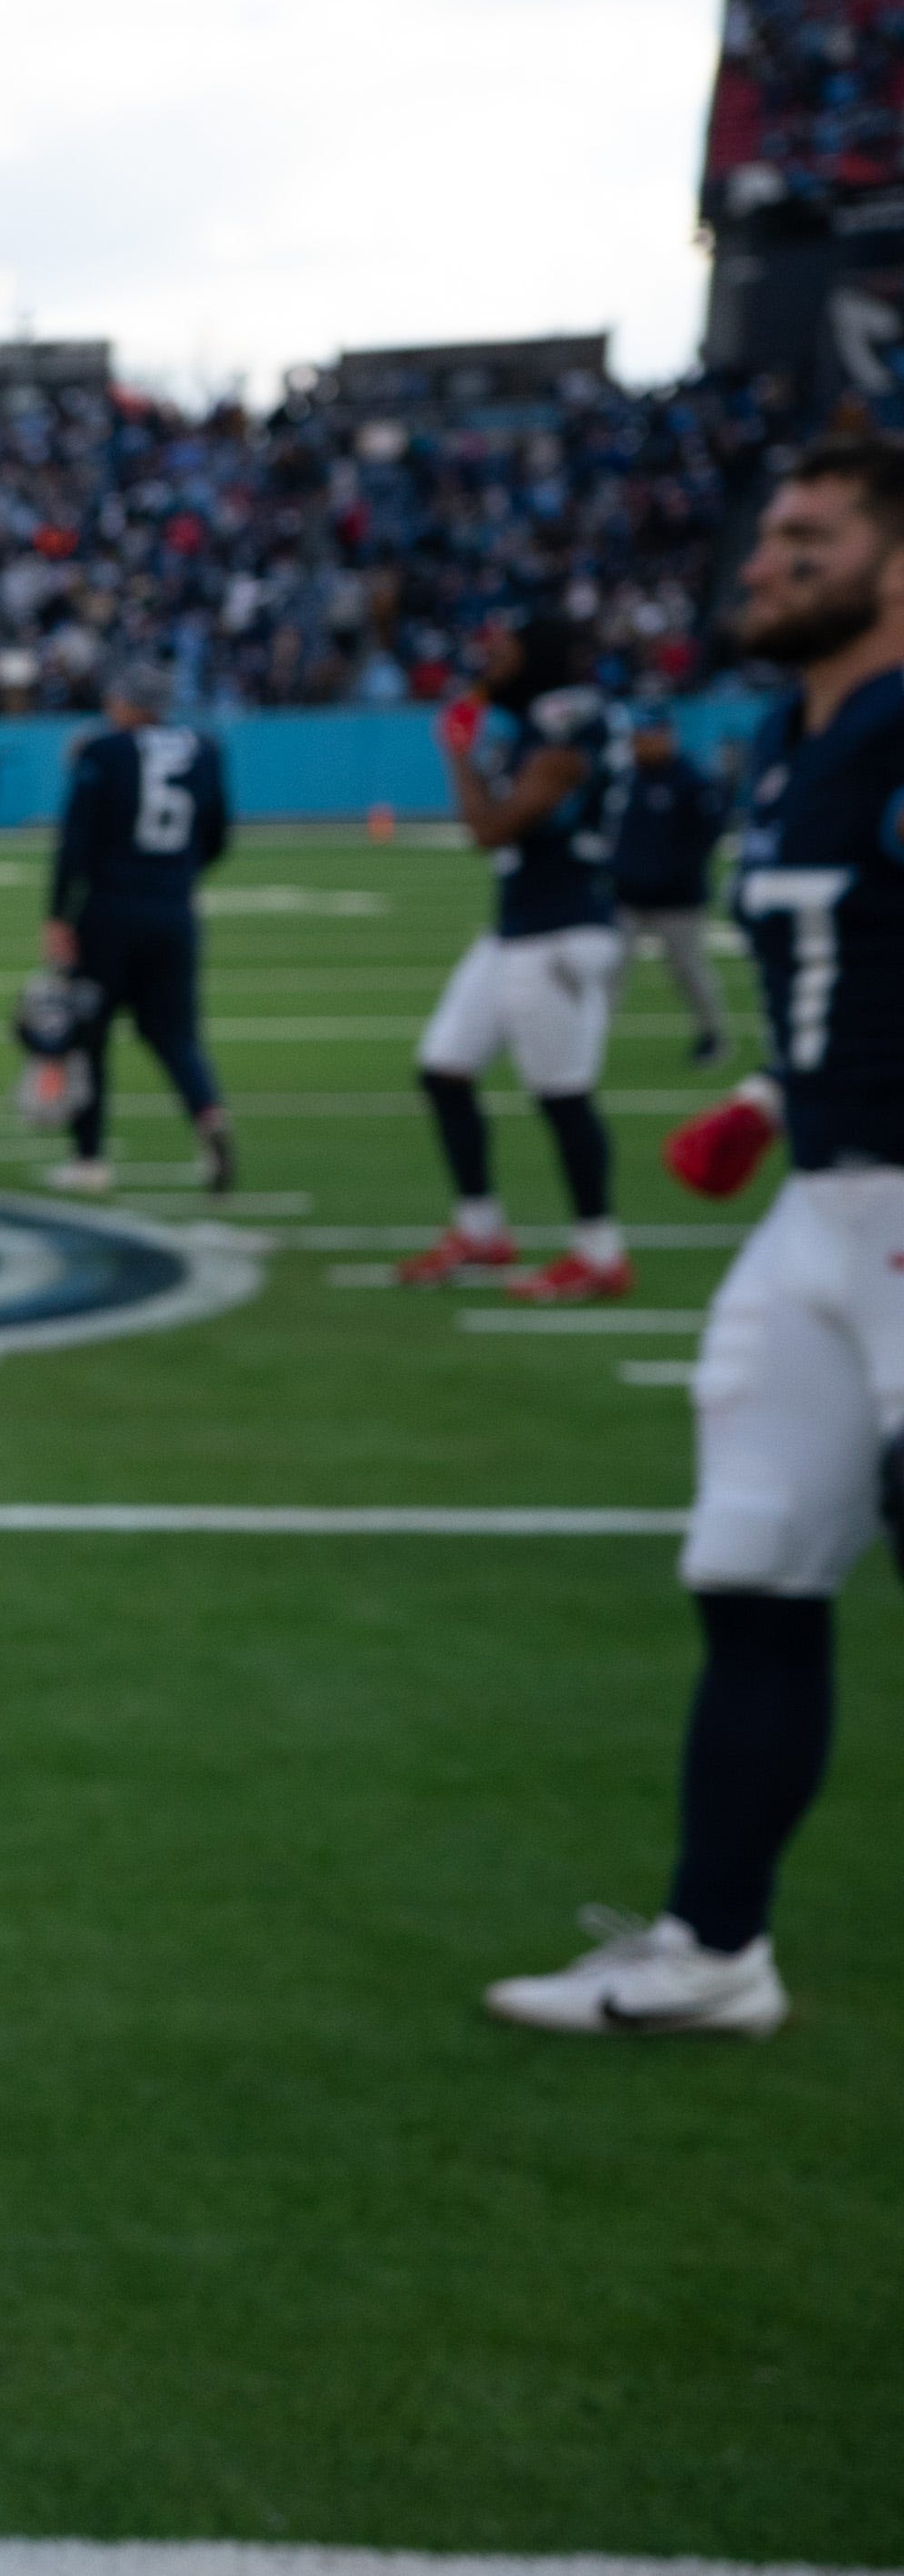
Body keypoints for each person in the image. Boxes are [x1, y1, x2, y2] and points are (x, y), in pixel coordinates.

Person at [494, 444, 904, 2038]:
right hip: (825, 1204)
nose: (763, 564)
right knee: (750, 1560)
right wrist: (758, 1091)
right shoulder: (792, 741)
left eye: (809, 541)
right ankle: (715, 1949)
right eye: (769, 537)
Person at [399, 620, 632, 1301]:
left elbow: (491, 829)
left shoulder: (567, 729)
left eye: (503, 653)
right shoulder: (543, 720)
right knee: (445, 1069)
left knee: (563, 1097)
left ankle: (599, 1251)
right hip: (518, 926)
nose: (487, 662)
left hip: (560, 929)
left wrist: (458, 755)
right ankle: (481, 1232)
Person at [40, 678, 238, 1195]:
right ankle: (209, 1114)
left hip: (109, 910)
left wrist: (59, 915)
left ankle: (89, 1160)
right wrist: (175, 878)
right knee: (174, 1034)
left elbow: (75, 843)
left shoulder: (101, 750)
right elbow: (218, 837)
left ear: (128, 704)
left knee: (89, 1036)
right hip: (174, 909)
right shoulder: (206, 750)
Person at [608, 713, 733, 1071]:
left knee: (689, 970)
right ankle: (581, 1042)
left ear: (666, 736)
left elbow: (708, 835)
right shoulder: (627, 777)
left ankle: (712, 1035)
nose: (640, 743)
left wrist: (667, 872)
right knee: (607, 972)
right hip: (627, 894)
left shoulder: (690, 780)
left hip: (678, 898)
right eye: (637, 736)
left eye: (647, 736)